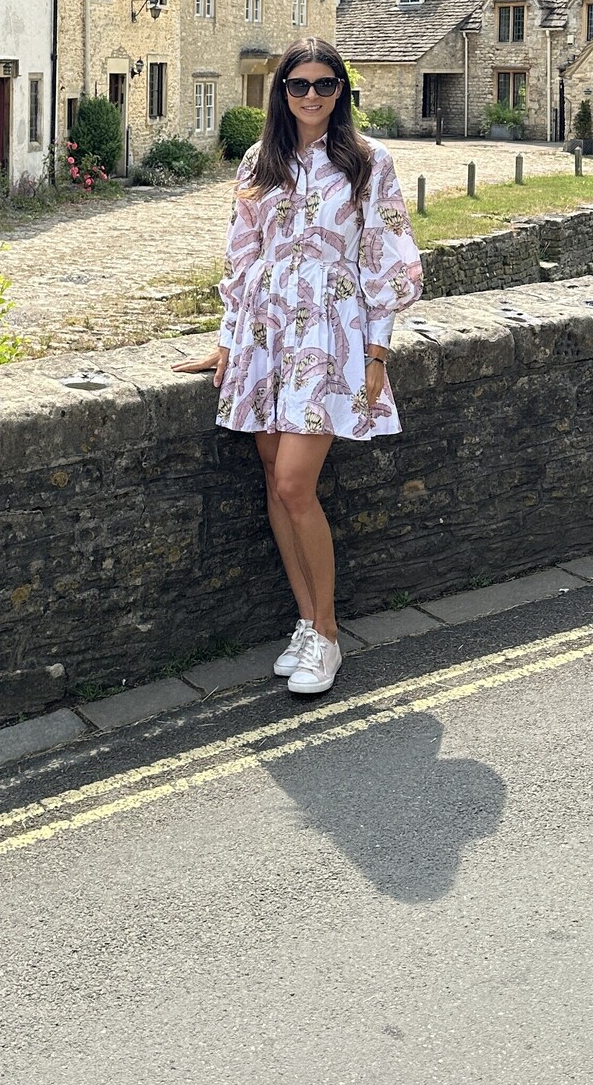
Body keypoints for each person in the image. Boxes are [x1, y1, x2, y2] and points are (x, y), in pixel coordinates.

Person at [176, 38, 423, 696]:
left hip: (330, 335)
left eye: (324, 84)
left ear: (341, 91)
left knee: (293, 484)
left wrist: (377, 352)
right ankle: (307, 624)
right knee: (270, 474)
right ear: (279, 91)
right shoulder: (261, 160)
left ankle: (330, 633)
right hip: (265, 335)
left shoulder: (370, 163)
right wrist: (228, 339)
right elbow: (242, 257)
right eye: (298, 85)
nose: (311, 96)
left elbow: (384, 262)